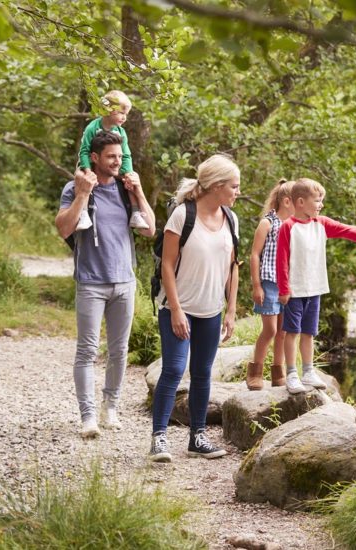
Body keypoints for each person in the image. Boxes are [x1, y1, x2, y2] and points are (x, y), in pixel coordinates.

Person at [55, 131, 156, 438]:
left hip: (124, 281)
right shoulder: (74, 188)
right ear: (95, 158)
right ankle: (87, 417)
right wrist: (84, 194)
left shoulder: (126, 191)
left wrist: (138, 193)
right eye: (111, 156)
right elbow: (63, 229)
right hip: (90, 282)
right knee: (86, 351)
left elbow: (151, 230)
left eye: (120, 156)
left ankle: (109, 406)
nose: (117, 161)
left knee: (119, 350)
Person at [149, 154, 241, 462]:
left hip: (211, 310)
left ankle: (197, 438)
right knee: (174, 369)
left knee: (202, 372)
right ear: (216, 186)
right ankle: (159, 438)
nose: (237, 192)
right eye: (234, 186)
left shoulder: (231, 218)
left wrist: (230, 310)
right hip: (178, 306)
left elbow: (233, 266)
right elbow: (167, 264)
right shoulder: (182, 215)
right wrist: (175, 310)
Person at [276, 178, 356, 394]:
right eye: (318, 200)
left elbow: (349, 231)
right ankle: (292, 374)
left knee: (308, 332)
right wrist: (284, 289)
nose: (321, 204)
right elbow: (281, 259)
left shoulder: (321, 224)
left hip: (315, 289)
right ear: (301, 202)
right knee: (291, 332)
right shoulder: (288, 227)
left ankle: (308, 371)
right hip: (294, 291)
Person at [246, 179, 296, 390]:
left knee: (284, 331)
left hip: (288, 285)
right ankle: (255, 372)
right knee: (270, 330)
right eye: (298, 201)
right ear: (287, 201)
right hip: (268, 283)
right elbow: (255, 255)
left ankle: (278, 373)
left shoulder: (295, 225)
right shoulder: (268, 223)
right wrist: (256, 285)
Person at [76, 90, 149, 232]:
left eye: (126, 114)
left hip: (114, 165)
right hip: (91, 164)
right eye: (121, 113)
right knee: (80, 177)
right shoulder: (93, 127)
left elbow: (126, 155)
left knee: (132, 180)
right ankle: (83, 213)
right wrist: (88, 171)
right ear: (109, 110)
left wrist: (128, 172)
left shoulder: (121, 132)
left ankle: (135, 212)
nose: (124, 118)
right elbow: (84, 151)